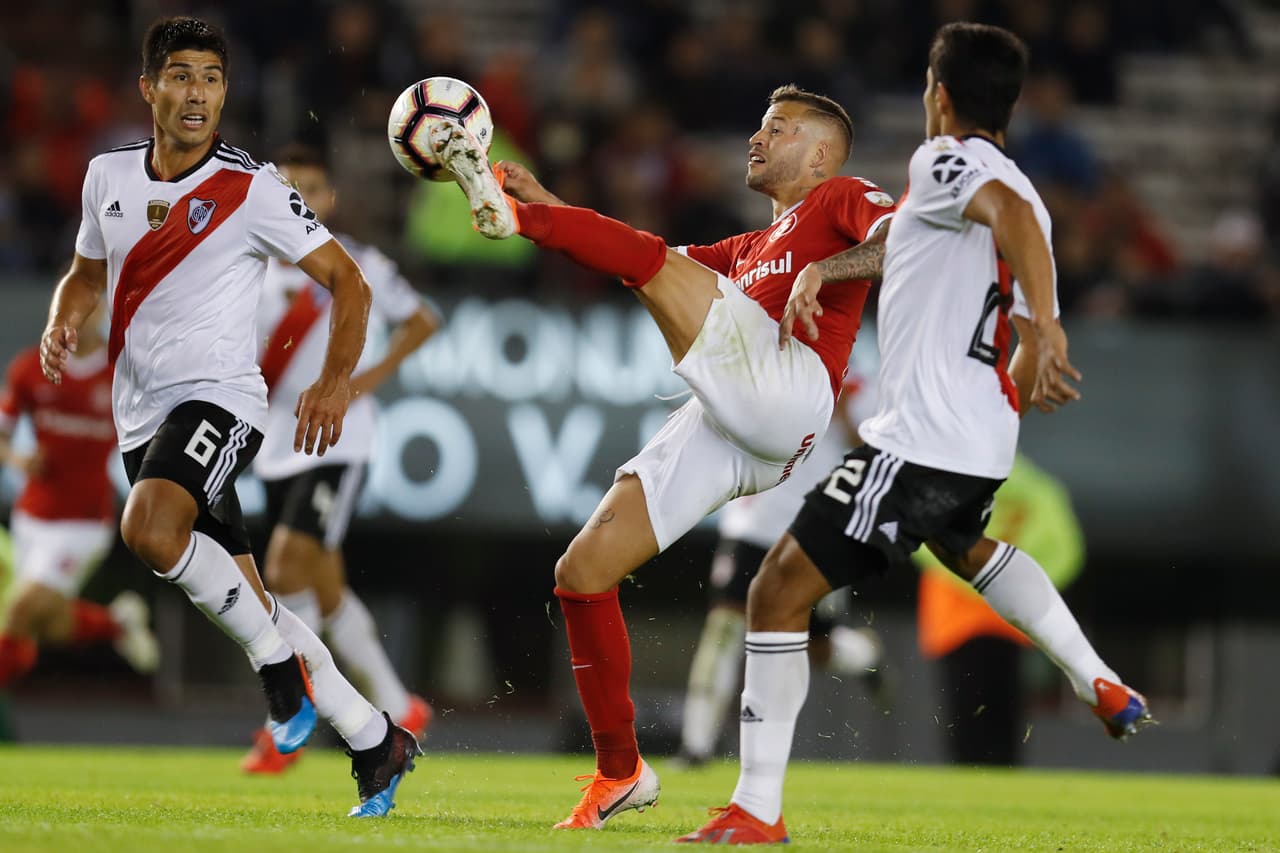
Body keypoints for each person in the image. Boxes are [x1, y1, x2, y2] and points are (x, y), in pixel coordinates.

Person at [679, 23, 1151, 844]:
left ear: (939, 94)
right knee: (967, 546)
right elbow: (909, 240)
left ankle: (755, 808)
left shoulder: (944, 163)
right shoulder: (1014, 186)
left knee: (773, 592)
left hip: (918, 438)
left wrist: (1045, 325)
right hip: (981, 440)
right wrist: (828, 266)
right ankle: (1100, 679)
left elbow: (1006, 220)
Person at [434, 82, 896, 829]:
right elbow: (638, 259)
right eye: (759, 121)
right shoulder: (747, 249)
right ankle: (620, 771)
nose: (755, 137)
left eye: (775, 127)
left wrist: (827, 270)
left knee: (651, 261)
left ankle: (514, 218)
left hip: (790, 391)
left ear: (817, 155)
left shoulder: (841, 196)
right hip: (731, 420)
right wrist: (546, 202)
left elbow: (906, 238)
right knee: (582, 572)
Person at [38, 17, 418, 817]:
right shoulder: (107, 176)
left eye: (211, 78)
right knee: (253, 593)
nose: (197, 93)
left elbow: (350, 282)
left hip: (221, 399)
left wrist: (335, 379)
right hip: (140, 415)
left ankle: (280, 679)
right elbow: (83, 273)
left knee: (149, 529)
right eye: (180, 75)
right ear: (148, 88)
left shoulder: (253, 187)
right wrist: (61, 317)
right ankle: (373, 736)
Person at [241, 143, 440, 773]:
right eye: (288, 185)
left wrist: (361, 381)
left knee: (284, 567)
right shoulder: (248, 267)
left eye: (310, 187)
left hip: (338, 439)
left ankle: (291, 717)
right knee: (324, 587)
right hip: (275, 443)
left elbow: (422, 321)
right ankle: (398, 705)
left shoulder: (359, 263)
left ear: (328, 200)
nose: (299, 195)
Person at [674, 362, 884, 768]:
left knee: (815, 646)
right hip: (752, 522)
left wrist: (842, 413)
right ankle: (696, 745)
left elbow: (880, 458)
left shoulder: (861, 387)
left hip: (816, 526)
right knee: (726, 624)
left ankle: (863, 655)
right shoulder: (764, 367)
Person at [0, 304, 159, 692]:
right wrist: (19, 458)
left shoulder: (121, 372)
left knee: (21, 613)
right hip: (32, 516)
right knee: (46, 622)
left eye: (86, 309)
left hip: (85, 521)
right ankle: (115, 624)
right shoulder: (30, 369)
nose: (76, 318)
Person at [915, 452, 1085, 766]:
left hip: (956, 618)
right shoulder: (1040, 490)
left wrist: (975, 576)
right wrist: (1020, 583)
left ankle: (968, 786)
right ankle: (1004, 780)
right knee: (1004, 712)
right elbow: (1066, 552)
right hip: (1011, 616)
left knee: (963, 714)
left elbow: (919, 537)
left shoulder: (946, 476)